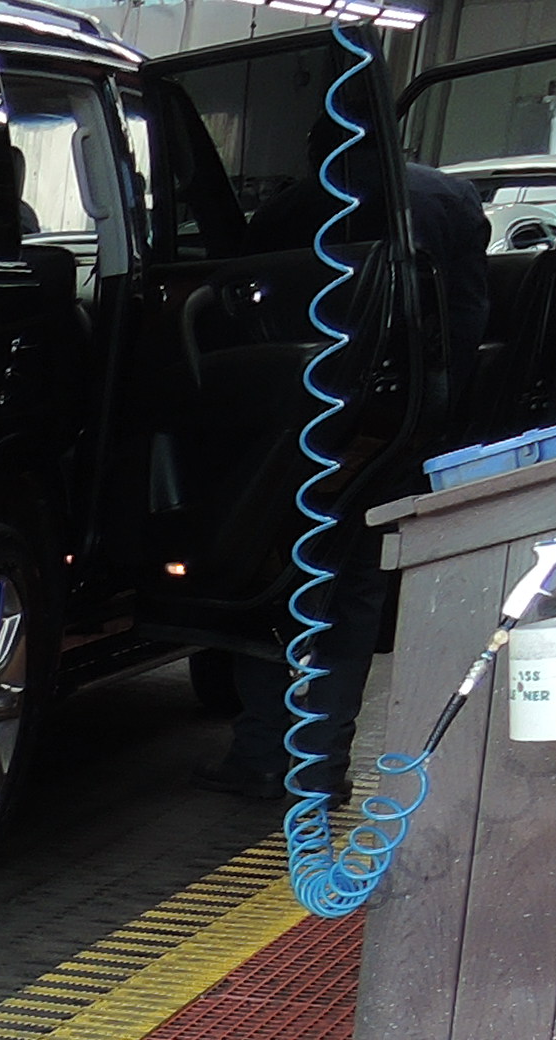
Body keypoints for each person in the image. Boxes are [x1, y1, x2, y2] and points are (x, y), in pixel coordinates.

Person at [208, 158, 492, 803]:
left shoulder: (289, 206)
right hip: (396, 417)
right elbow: (468, 317)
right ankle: (322, 764)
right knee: (356, 591)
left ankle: (260, 752)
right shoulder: (449, 198)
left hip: (299, 413)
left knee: (272, 579)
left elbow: (240, 303)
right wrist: (434, 411)